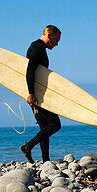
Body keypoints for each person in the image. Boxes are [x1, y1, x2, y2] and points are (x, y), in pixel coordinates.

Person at [20, 25, 62, 163]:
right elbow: (30, 70)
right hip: (36, 95)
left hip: (38, 93)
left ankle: (45, 160)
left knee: (45, 127)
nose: (56, 44)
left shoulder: (39, 48)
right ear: (49, 35)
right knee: (55, 124)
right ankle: (28, 146)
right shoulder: (37, 48)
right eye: (56, 40)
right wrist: (31, 93)